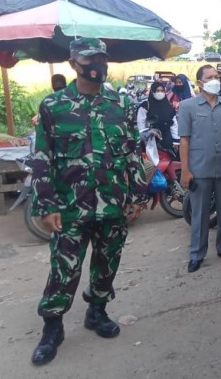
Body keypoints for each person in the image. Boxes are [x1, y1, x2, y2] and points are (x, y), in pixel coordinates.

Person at [30, 38, 147, 366]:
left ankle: (96, 311)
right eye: (90, 59)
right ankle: (52, 327)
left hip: (112, 202)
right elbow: (41, 158)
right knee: (64, 268)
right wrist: (46, 205)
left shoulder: (119, 104)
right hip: (71, 207)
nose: (98, 65)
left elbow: (131, 149)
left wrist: (137, 194)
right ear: (73, 64)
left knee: (108, 262)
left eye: (101, 58)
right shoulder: (54, 106)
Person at [178, 64, 221, 273]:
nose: (215, 79)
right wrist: (185, 170)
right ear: (200, 83)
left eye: (217, 75)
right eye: (210, 77)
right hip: (199, 169)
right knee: (200, 214)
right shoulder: (188, 106)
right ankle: (197, 254)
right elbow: (184, 140)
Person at [137, 81, 179, 151]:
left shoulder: (168, 106)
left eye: (162, 91)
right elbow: (141, 124)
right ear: (153, 91)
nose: (160, 93)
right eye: (157, 90)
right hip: (150, 142)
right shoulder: (145, 106)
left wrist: (176, 141)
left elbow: (173, 124)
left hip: (167, 143)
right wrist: (146, 135)